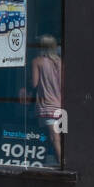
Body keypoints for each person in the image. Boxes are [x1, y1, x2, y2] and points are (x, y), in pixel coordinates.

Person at [32, 35, 64, 166]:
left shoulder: (37, 61)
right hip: (60, 104)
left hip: (47, 105)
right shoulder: (60, 62)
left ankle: (62, 164)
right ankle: (58, 162)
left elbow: (34, 84)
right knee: (57, 136)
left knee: (54, 137)